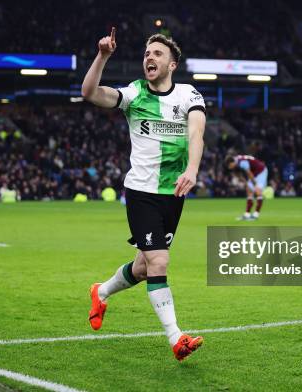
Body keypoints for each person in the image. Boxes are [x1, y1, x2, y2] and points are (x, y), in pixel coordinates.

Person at [81, 28, 206, 361]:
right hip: (142, 192)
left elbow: (196, 135)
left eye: (157, 53)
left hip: (174, 194)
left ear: (172, 64)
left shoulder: (189, 95)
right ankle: (176, 338)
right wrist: (103, 56)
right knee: (159, 261)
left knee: (141, 267)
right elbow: (90, 93)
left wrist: (192, 169)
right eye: (147, 53)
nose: (150, 57)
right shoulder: (135, 94)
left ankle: (101, 291)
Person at [225, 154, 267, 220]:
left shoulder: (242, 162)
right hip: (254, 172)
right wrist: (247, 184)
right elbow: (239, 175)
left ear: (232, 162)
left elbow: (249, 173)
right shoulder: (236, 162)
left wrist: (255, 184)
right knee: (249, 191)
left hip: (261, 171)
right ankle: (247, 215)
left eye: (230, 165)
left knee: (258, 191)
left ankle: (256, 215)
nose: (230, 167)